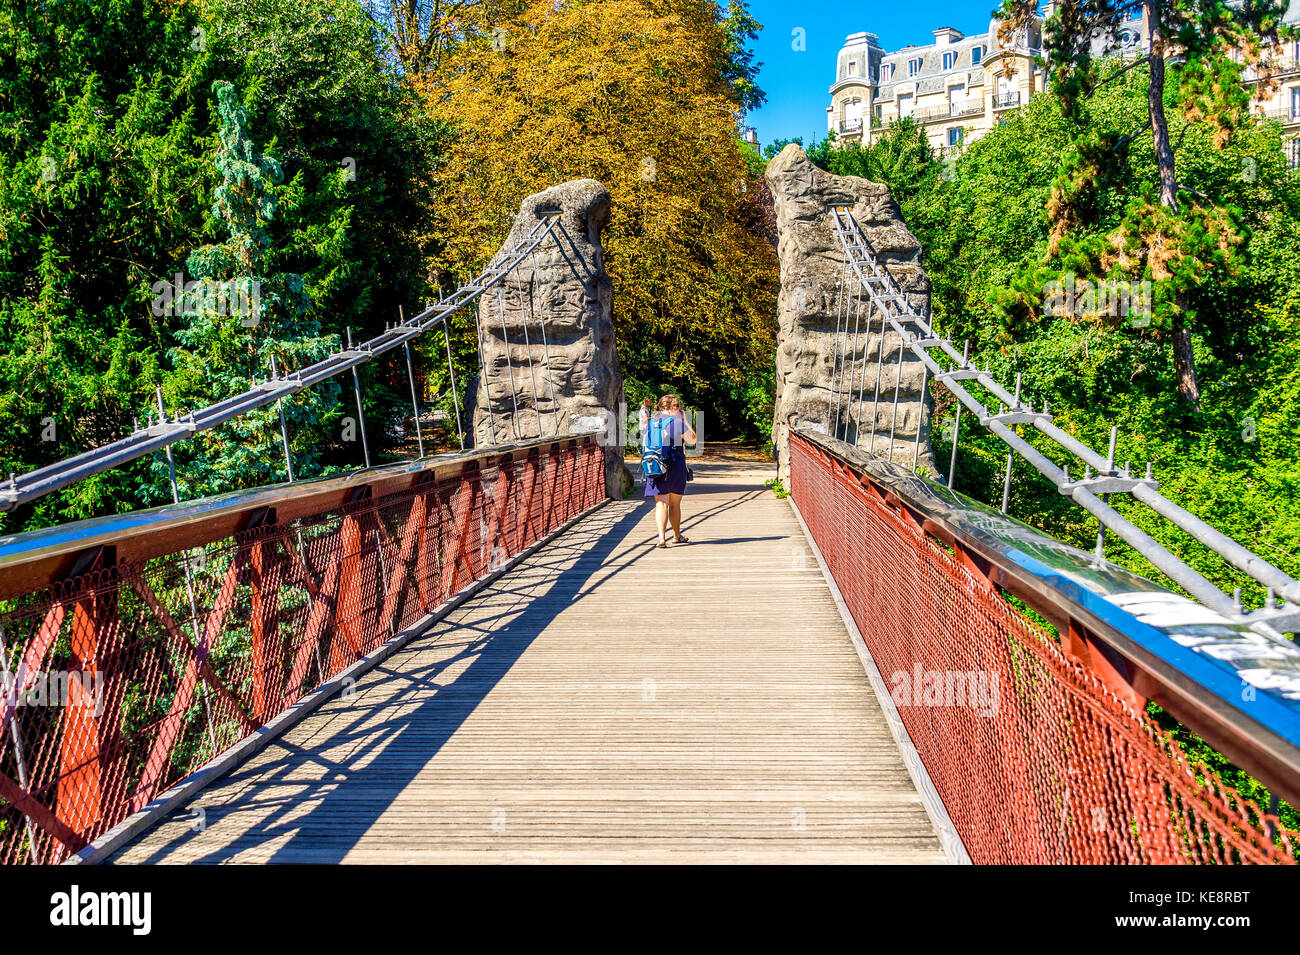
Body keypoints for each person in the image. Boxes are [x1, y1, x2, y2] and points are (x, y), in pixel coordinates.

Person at [644, 394, 696, 548]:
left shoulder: (651, 423)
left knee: (660, 503)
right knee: (674, 504)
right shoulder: (678, 423)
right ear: (672, 408)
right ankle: (677, 535)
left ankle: (661, 538)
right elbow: (692, 440)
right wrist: (685, 419)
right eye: (678, 406)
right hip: (675, 465)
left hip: (655, 465)